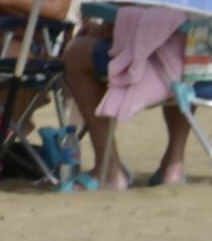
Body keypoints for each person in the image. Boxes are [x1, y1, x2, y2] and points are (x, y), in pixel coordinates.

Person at [62, 14, 191, 189]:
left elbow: (127, 15)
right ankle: (174, 165)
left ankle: (108, 170)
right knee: (184, 56)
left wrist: (106, 29)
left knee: (77, 53)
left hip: (154, 66)